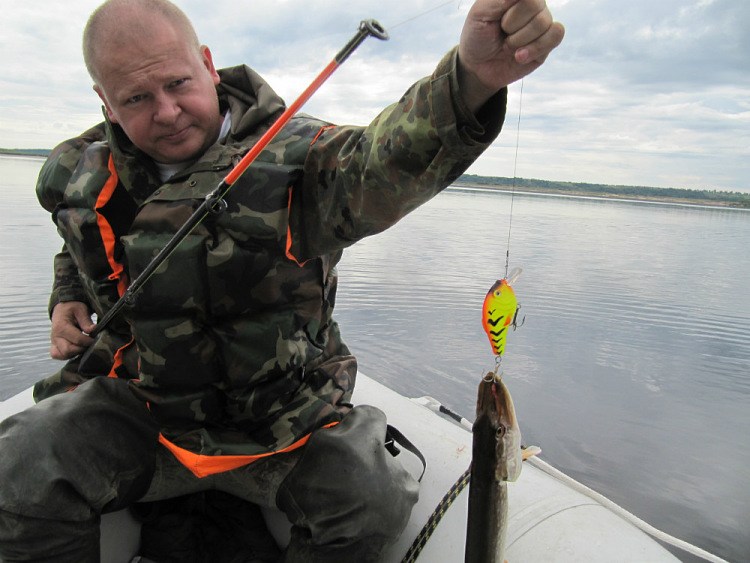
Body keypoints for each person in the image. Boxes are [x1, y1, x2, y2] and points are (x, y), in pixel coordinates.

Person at [0, 0, 564, 561]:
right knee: (17, 468)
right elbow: (77, 242)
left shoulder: (301, 160)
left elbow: (382, 161)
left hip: (285, 420)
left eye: (178, 83)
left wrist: (471, 79)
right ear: (105, 101)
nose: (167, 111)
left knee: (371, 500)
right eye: (137, 98)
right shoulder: (74, 171)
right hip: (144, 413)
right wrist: (67, 296)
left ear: (207, 63)